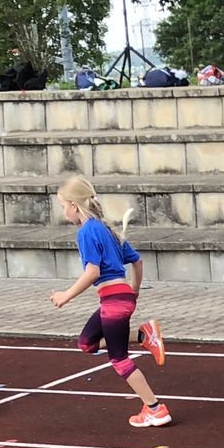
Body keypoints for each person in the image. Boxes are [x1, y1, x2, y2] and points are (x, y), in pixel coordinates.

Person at [49, 176, 171, 428]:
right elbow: (137, 261)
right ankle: (142, 335)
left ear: (74, 205)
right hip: (120, 297)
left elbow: (92, 272)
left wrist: (66, 295)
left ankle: (155, 409)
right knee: (87, 343)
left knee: (119, 359)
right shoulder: (106, 229)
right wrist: (134, 290)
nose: (63, 212)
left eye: (63, 206)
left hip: (114, 301)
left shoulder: (86, 231)